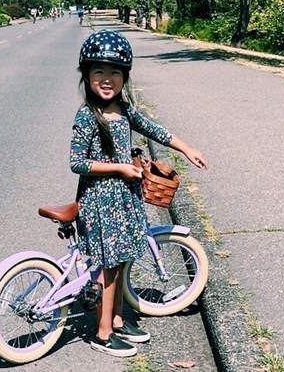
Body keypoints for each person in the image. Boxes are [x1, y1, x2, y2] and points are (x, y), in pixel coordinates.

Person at [70, 29, 208, 357]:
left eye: (114, 72)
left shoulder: (124, 108)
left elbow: (153, 128)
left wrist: (187, 148)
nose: (106, 79)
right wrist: (119, 167)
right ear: (86, 74)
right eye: (98, 71)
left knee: (123, 258)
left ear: (125, 77)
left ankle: (117, 319)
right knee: (110, 266)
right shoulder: (87, 116)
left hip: (124, 199)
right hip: (101, 202)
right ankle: (102, 333)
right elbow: (76, 162)